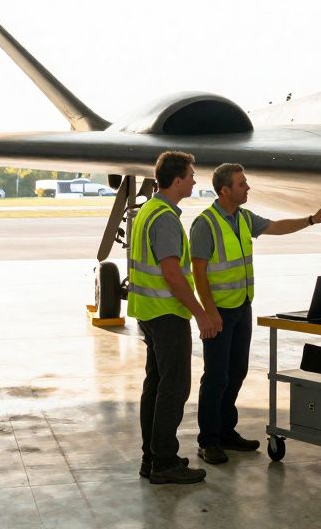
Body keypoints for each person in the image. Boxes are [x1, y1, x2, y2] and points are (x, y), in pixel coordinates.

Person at [190, 163, 321, 465]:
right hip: (220, 312)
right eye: (242, 184)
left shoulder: (244, 218)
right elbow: (198, 272)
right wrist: (209, 313)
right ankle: (208, 441)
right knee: (215, 377)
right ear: (224, 190)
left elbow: (276, 227)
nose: (248, 188)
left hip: (242, 308)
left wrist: (310, 220)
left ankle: (226, 432)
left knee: (236, 372)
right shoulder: (205, 224)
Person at [129, 151, 218, 485]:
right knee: (174, 389)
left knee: (155, 386)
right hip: (166, 313)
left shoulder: (149, 210)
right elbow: (172, 274)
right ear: (177, 180)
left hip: (149, 311)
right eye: (191, 175)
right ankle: (164, 463)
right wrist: (200, 313)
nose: (195, 180)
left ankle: (152, 458)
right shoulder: (165, 218)